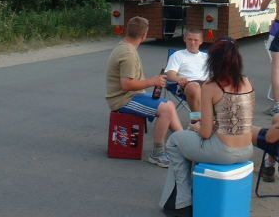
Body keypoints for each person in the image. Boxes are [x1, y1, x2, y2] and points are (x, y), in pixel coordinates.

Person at [159, 38, 254, 214]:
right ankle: (192, 191)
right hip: (247, 149)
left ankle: (183, 202)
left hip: (224, 151)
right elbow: (242, 119)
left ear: (213, 62)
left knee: (174, 141)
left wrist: (196, 128)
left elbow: (205, 132)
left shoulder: (211, 86)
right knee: (188, 142)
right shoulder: (246, 82)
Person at [105, 17, 182, 168]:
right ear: (145, 35)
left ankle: (185, 144)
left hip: (130, 96)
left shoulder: (125, 46)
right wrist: (152, 81)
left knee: (169, 105)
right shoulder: (128, 54)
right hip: (122, 100)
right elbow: (126, 84)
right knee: (165, 109)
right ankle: (157, 154)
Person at [164, 29, 209, 111]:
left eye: (196, 40)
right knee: (194, 87)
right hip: (187, 84)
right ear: (185, 39)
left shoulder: (206, 56)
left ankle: (216, 119)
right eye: (190, 39)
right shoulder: (177, 55)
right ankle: (196, 120)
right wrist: (179, 79)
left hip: (206, 84)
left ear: (201, 41)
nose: (192, 43)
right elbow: (170, 74)